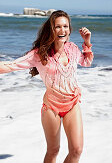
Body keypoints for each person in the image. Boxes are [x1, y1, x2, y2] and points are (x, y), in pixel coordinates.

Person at [0, 10, 93, 163]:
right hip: (51, 108)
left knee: (77, 150)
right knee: (53, 150)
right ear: (51, 29)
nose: (62, 30)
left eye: (65, 26)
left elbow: (87, 62)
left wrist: (87, 42)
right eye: (58, 27)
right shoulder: (39, 54)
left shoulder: (73, 49)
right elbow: (10, 66)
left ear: (69, 29)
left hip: (72, 104)